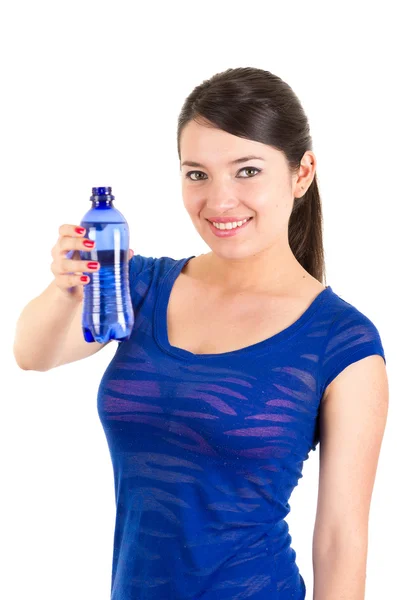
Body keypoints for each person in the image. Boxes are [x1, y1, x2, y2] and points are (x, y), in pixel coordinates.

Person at [14, 67, 389, 600]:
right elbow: (32, 353)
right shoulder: (141, 286)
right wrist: (68, 287)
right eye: (197, 174)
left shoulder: (341, 343)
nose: (219, 201)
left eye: (247, 171)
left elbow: (340, 539)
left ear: (301, 173)